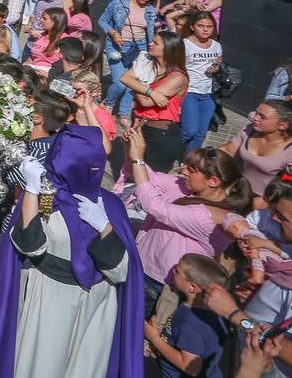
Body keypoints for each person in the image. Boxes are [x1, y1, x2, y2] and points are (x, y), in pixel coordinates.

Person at [0, 125, 143, 378]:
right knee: (43, 365)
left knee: (85, 367)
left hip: (97, 305)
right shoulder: (47, 198)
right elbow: (31, 246)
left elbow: (122, 270)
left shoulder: (109, 205)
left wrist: (105, 227)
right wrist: (32, 191)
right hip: (48, 297)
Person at [120, 129, 250, 310]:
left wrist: (139, 159)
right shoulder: (187, 188)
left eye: (192, 170)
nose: (183, 171)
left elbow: (155, 207)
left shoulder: (209, 216)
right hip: (143, 267)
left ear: (213, 181)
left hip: (157, 281)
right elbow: (144, 176)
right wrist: (129, 149)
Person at [143, 253, 229, 378]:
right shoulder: (212, 312)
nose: (173, 271)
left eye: (177, 271)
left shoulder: (191, 322)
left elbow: (191, 367)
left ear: (193, 287)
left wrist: (154, 338)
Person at [116, 31, 190, 170]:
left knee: (152, 177)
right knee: (133, 171)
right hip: (140, 126)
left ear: (168, 48)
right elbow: (124, 78)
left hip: (160, 134)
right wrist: (151, 92)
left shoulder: (178, 77)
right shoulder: (149, 64)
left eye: (156, 43)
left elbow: (145, 101)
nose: (151, 44)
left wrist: (137, 82)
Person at [99, 0, 158, 110]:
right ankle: (108, 104)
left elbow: (151, 31)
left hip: (140, 47)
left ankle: (123, 114)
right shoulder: (118, 4)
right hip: (116, 45)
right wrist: (113, 32)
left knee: (134, 83)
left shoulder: (151, 9)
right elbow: (102, 20)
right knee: (120, 83)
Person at [218, 100, 292, 201]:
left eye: (262, 117)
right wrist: (204, 157)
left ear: (282, 125)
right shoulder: (250, 130)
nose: (255, 118)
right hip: (236, 190)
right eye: (256, 113)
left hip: (264, 201)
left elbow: (288, 185)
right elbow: (227, 150)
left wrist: (267, 201)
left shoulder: (289, 150)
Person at [179, 12, 223, 152]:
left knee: (201, 132)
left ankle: (189, 163)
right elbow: (175, 67)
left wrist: (216, 67)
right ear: (192, 26)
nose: (205, 29)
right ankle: (168, 143)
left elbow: (218, 64)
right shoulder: (184, 44)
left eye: (209, 26)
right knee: (190, 131)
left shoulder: (216, 45)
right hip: (189, 91)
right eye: (201, 26)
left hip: (208, 93)